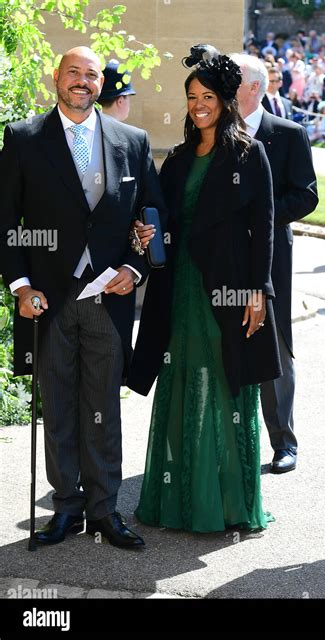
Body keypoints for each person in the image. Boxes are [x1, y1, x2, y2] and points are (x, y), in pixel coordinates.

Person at [0, 47, 166, 548]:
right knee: (59, 405)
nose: (82, 81)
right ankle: (66, 508)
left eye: (91, 75)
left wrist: (136, 268)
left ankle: (105, 511)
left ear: (100, 84)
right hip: (47, 300)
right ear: (56, 77)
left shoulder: (131, 141)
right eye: (73, 72)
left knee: (103, 407)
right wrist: (21, 285)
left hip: (108, 301)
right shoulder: (24, 138)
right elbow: (6, 221)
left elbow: (154, 216)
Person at [127, 45, 281, 532]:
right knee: (181, 384)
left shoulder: (249, 154)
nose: (198, 104)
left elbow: (265, 226)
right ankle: (178, 499)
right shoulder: (176, 159)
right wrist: (144, 233)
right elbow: (158, 219)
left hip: (230, 293)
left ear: (226, 100)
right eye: (192, 96)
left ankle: (230, 502)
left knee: (226, 387)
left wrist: (259, 291)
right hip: (179, 292)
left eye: (207, 95)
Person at [230, 53, 318, 473]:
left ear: (254, 88)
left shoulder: (289, 133)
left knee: (275, 345)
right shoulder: (214, 129)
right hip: (222, 258)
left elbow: (307, 195)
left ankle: (284, 442)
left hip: (271, 258)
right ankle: (227, 441)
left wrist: (259, 215)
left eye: (232, 80)